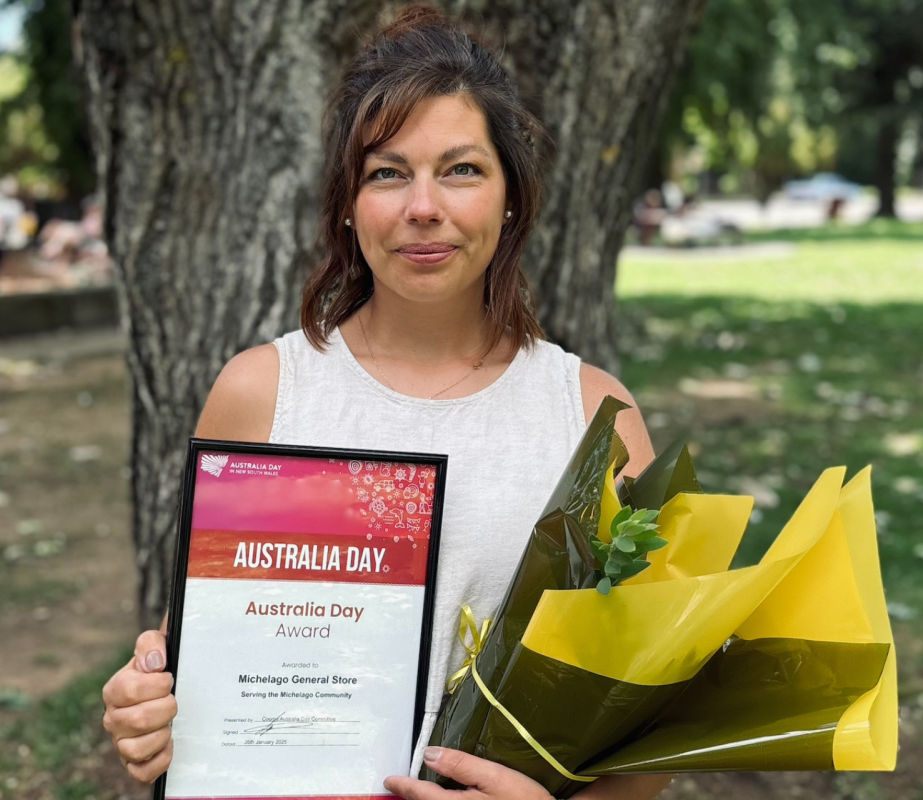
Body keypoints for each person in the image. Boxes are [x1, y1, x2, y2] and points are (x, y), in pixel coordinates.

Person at [101, 7, 670, 800]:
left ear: (512, 196)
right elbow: (209, 668)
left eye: (463, 170)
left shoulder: (595, 416)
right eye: (388, 172)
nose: (423, 207)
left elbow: (649, 753)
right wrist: (149, 708)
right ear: (346, 201)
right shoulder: (261, 396)